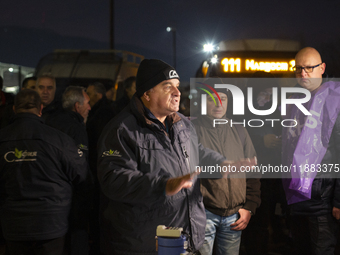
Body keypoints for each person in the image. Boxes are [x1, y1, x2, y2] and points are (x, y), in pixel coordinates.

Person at [97, 59, 256, 254]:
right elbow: (113, 180)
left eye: (178, 86)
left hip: (185, 237)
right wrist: (163, 185)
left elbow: (197, 151)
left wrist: (221, 164)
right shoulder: (122, 129)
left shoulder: (183, 124)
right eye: (167, 87)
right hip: (148, 240)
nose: (177, 93)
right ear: (146, 93)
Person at [0, 89, 92, 255]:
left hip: (14, 224)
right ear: (40, 109)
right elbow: (81, 173)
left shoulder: (3, 139)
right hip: (51, 224)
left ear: (14, 109)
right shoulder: (59, 140)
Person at [282, 47, 340, 255]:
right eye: (298, 69)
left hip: (323, 202)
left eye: (309, 68)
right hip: (296, 198)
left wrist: (338, 201)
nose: (303, 73)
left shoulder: (335, 101)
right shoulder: (295, 100)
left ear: (322, 68)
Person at [192, 85, 261, 255]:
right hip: (204, 215)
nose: (218, 104)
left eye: (222, 99)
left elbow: (252, 172)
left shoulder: (239, 130)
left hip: (234, 216)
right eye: (211, 99)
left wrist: (249, 207)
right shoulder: (191, 130)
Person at [47, 86, 91, 159]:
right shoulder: (77, 128)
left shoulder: (50, 121)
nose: (89, 108)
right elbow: (80, 160)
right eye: (87, 103)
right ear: (77, 106)